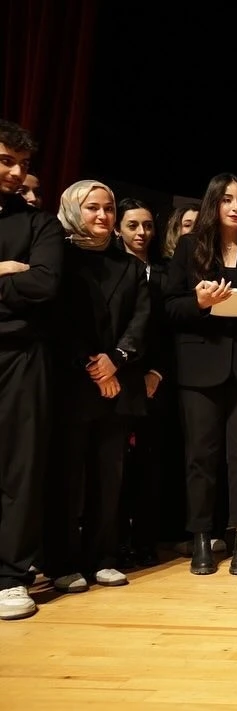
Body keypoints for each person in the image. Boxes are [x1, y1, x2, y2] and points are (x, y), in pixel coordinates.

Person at [165, 173, 237, 576]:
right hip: (200, 366)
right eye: (227, 199)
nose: (236, 207)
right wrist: (198, 302)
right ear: (213, 203)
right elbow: (170, 306)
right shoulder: (189, 247)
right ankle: (201, 538)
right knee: (200, 456)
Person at [45, 181, 151, 591]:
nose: (103, 216)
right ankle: (62, 562)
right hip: (73, 384)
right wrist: (93, 365)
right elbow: (58, 319)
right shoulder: (59, 258)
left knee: (109, 477)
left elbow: (141, 319)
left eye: (108, 208)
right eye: (93, 208)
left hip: (118, 383)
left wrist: (116, 361)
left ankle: (103, 556)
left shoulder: (130, 265)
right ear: (75, 210)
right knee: (68, 478)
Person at [0, 119, 64, 621]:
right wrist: (5, 270)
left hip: (21, 354)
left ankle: (10, 576)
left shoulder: (39, 224)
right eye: (7, 161)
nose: (17, 173)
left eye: (23, 164)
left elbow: (43, 285)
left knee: (19, 467)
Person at [114, 197, 168, 567]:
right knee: (116, 465)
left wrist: (157, 372)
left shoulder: (166, 271)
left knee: (152, 465)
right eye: (133, 225)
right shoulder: (111, 268)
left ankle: (146, 541)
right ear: (118, 229)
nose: (141, 232)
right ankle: (115, 541)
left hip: (156, 379)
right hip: (116, 377)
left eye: (147, 225)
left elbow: (169, 330)